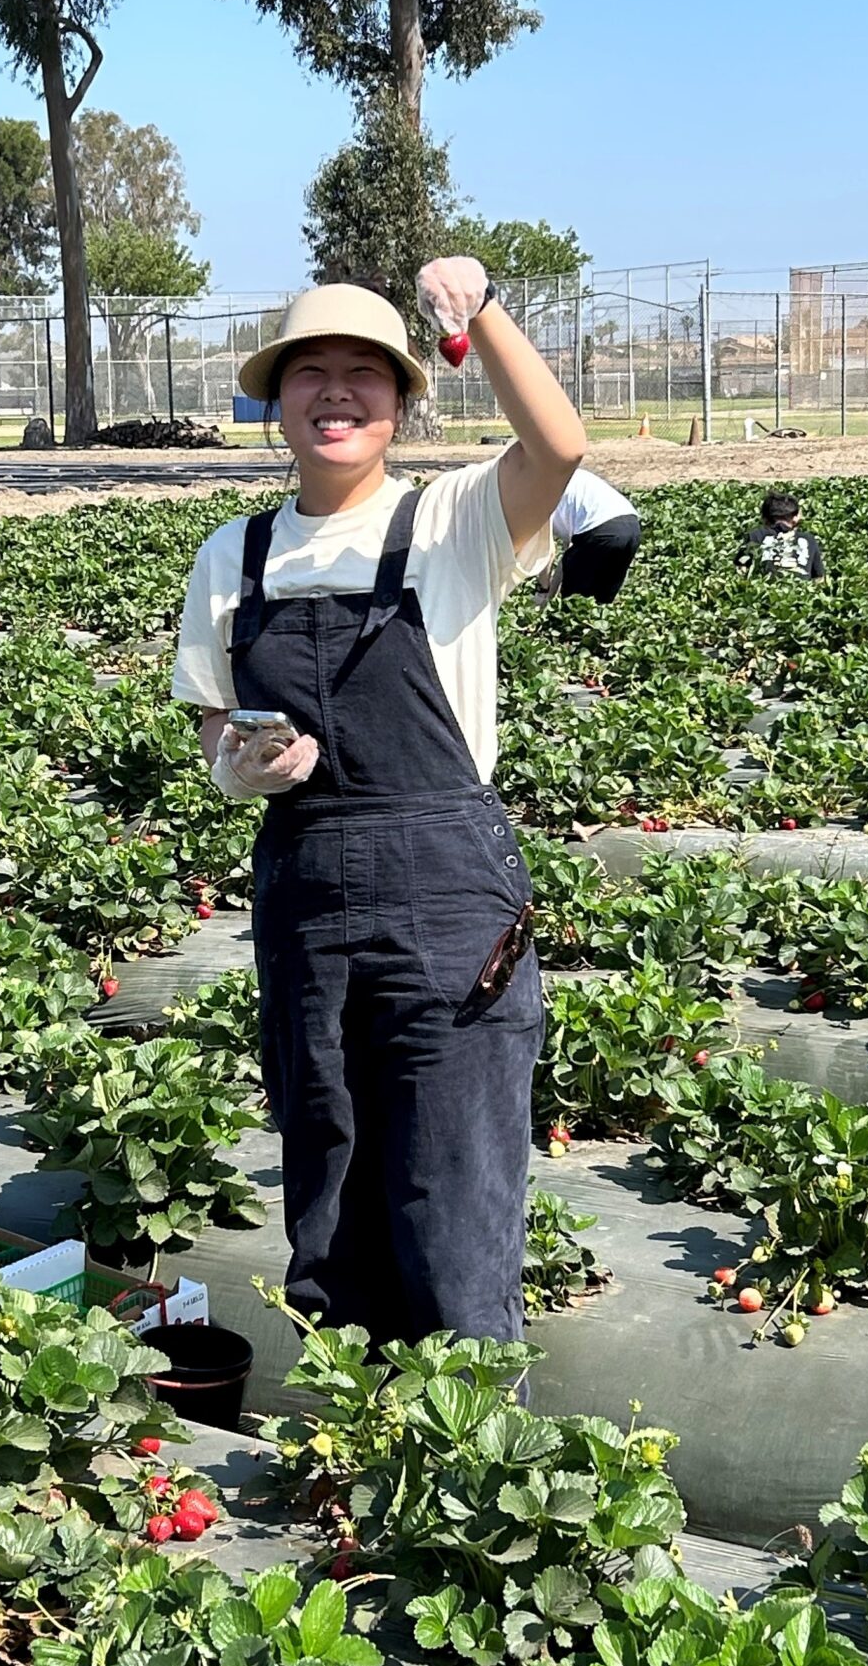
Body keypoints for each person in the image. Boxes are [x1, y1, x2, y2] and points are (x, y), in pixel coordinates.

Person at [172, 265, 586, 1347]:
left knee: (455, 1198)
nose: (337, 394)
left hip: (445, 893)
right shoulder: (237, 555)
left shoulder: (452, 522)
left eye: (365, 375)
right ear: (278, 401)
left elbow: (560, 447)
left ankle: (466, 1473)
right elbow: (212, 719)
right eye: (311, 374)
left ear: (401, 402)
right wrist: (239, 764)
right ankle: (352, 1453)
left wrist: (479, 310)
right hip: (305, 889)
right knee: (329, 1173)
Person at [545, 467, 640, 603]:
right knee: (602, 601)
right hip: (632, 528)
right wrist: (550, 596)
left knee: (575, 604)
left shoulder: (542, 497)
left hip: (600, 531)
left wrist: (543, 590)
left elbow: (547, 553)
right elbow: (567, 556)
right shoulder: (570, 478)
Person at [738, 489, 827, 582]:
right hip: (800, 592)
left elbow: (741, 569)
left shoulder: (755, 536)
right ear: (795, 518)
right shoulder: (808, 539)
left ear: (764, 517)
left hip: (766, 589)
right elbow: (819, 578)